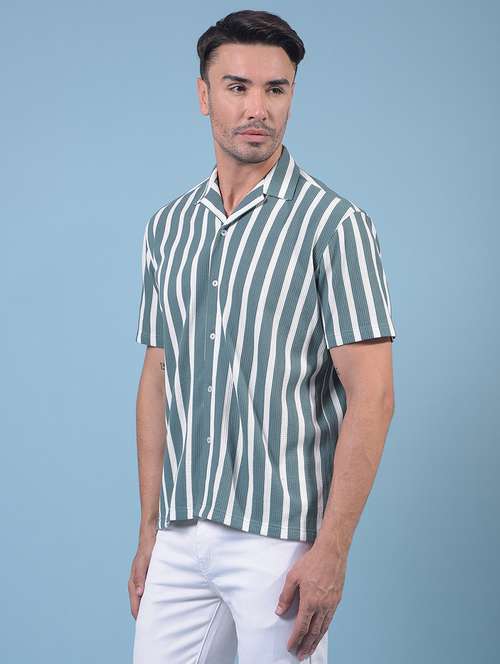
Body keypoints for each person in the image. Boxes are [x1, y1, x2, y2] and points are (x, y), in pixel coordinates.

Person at [129, 9, 397, 663]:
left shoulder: (334, 225)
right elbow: (158, 377)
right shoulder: (169, 227)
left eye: (276, 89)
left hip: (280, 542)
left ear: (291, 95)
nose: (258, 108)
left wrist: (332, 548)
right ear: (204, 95)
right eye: (237, 87)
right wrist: (149, 528)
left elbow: (373, 397)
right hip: (181, 533)